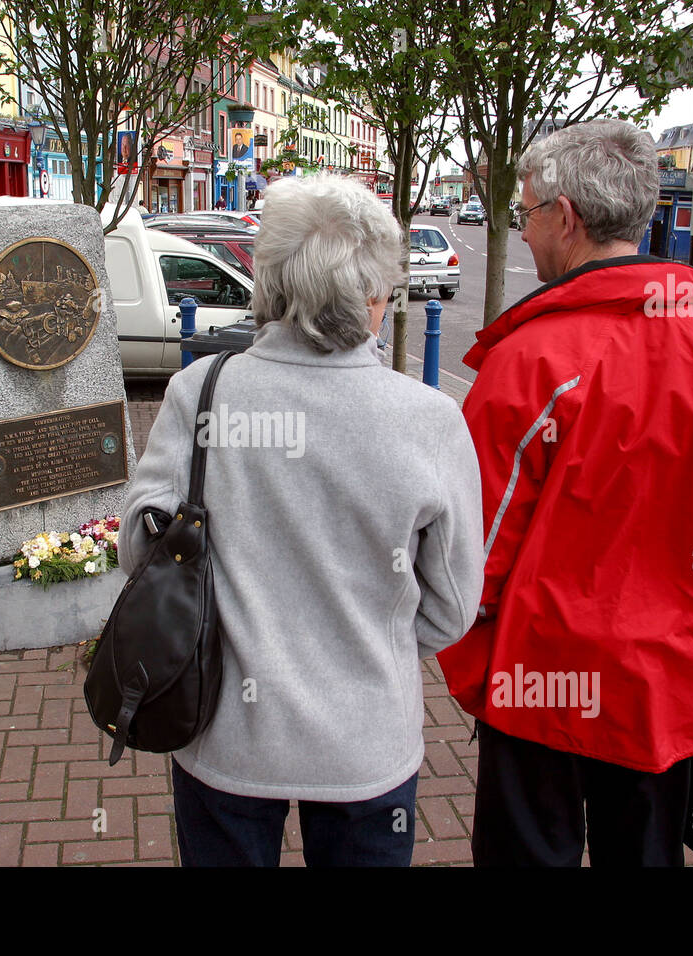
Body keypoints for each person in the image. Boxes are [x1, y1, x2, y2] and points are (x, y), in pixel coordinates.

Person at [436, 119, 693, 866]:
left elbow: (474, 553)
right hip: (671, 688)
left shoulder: (531, 362)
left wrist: (479, 676)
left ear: (566, 218)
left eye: (530, 212)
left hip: (541, 687)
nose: (528, 229)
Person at [119, 174, 485, 867]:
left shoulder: (201, 393)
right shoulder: (430, 420)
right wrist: (372, 646)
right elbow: (453, 605)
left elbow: (140, 549)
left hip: (224, 729)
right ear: (375, 294)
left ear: (270, 282)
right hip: (366, 742)